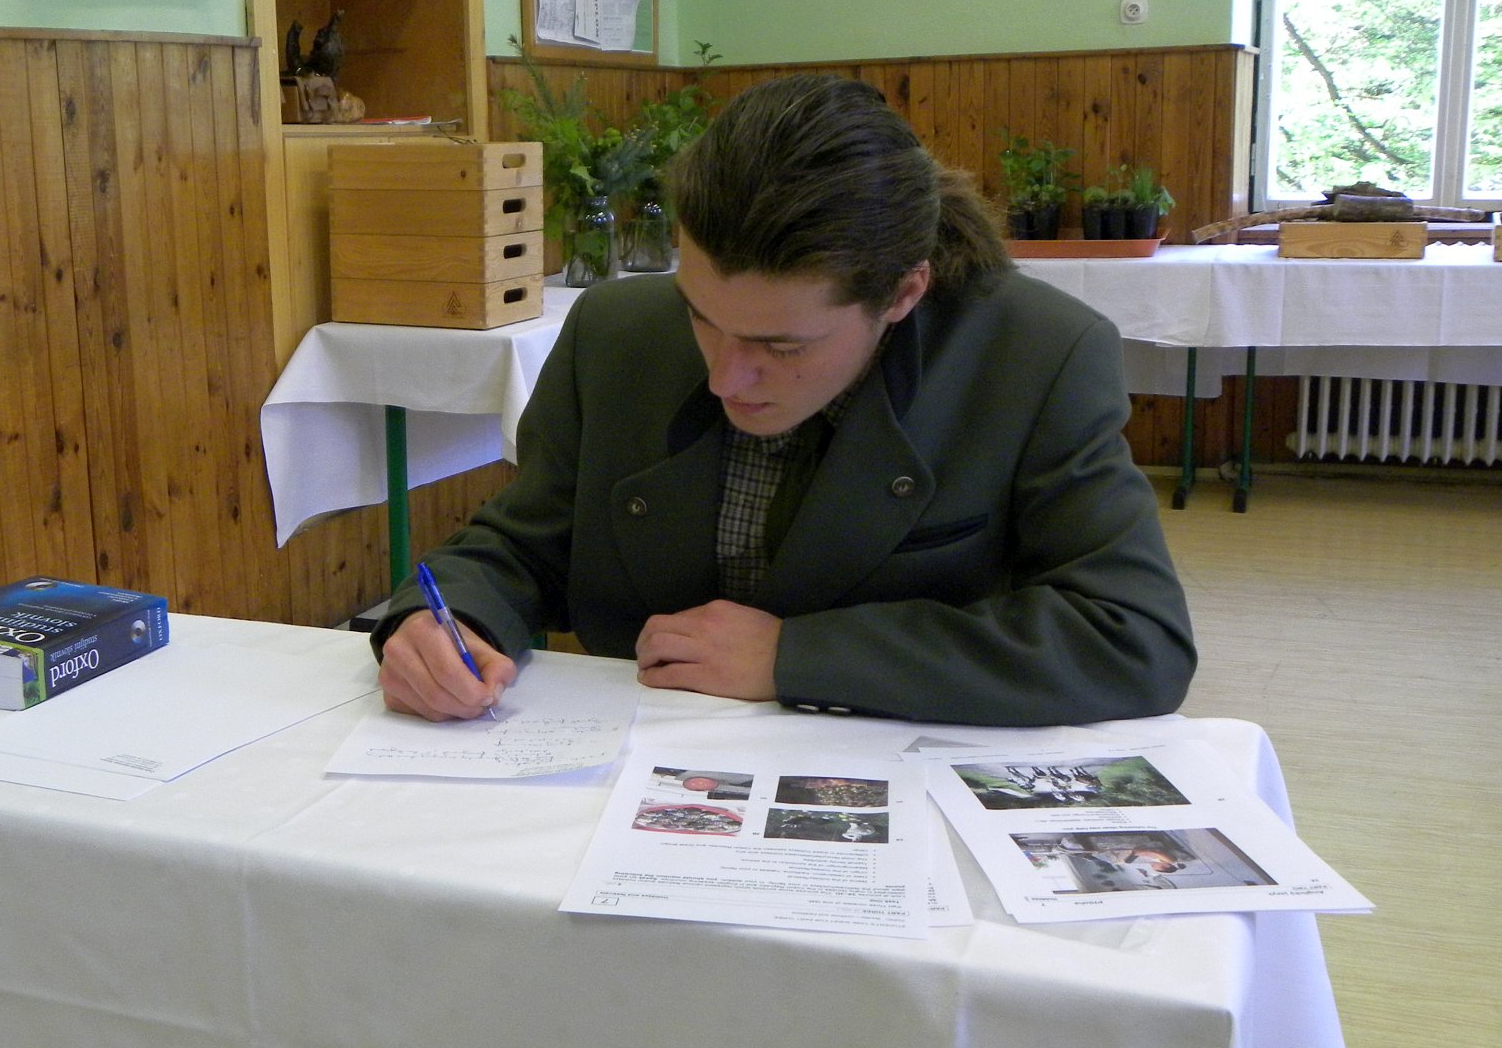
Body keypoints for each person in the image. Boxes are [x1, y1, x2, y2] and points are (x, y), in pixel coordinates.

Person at [372, 73, 1196, 726]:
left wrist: (797, 657)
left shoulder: (1035, 355)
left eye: (784, 346)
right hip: (633, 770)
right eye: (702, 316)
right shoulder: (616, 331)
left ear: (903, 293)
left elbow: (1133, 639)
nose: (726, 378)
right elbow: (526, 546)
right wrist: (441, 621)